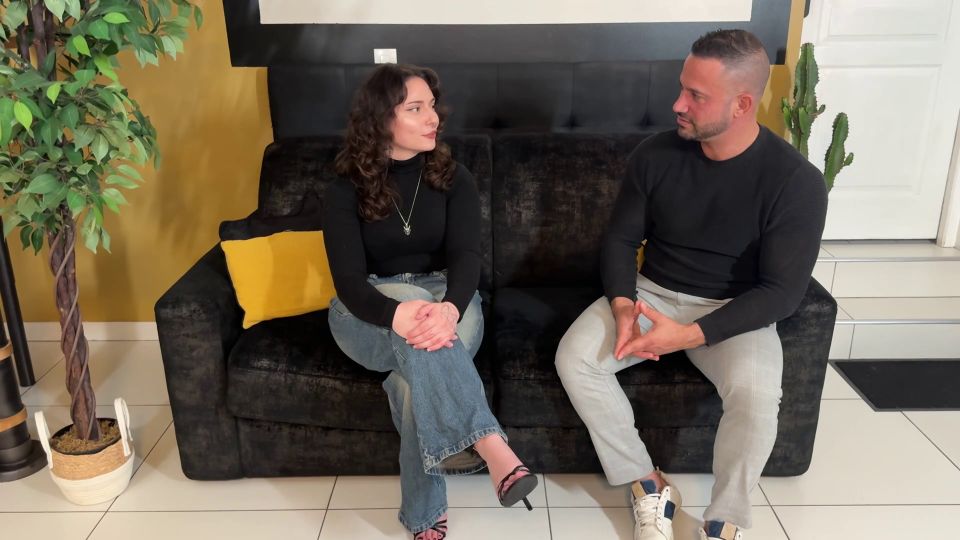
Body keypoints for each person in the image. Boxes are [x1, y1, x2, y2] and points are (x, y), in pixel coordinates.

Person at [555, 29, 827, 540]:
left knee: (756, 396)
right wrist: (623, 306)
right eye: (682, 87)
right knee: (575, 359)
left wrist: (686, 335)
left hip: (734, 308)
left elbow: (782, 292)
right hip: (651, 294)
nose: (678, 104)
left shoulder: (796, 181)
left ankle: (724, 521)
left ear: (742, 104)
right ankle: (648, 484)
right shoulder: (655, 155)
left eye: (696, 96)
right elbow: (620, 239)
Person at [323, 63, 538, 540]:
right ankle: (491, 444)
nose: (433, 118)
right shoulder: (343, 188)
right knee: (411, 300)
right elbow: (349, 283)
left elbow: (466, 258)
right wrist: (395, 311)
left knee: (410, 382)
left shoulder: (454, 178)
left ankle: (424, 516)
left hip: (447, 299)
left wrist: (452, 307)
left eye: (432, 106)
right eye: (416, 108)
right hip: (366, 309)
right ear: (382, 117)